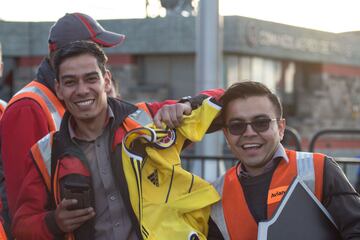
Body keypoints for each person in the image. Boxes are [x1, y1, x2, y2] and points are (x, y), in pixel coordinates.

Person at [12, 40, 222, 239]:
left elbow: (228, 101)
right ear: (58, 88)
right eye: (70, 82)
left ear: (107, 81)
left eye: (91, 78)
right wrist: (53, 222)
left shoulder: (148, 121)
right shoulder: (45, 153)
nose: (82, 89)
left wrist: (187, 104)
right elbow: (21, 226)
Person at [207, 81, 360, 239]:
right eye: (237, 125)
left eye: (261, 123)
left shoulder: (319, 169)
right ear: (226, 135)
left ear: (280, 128)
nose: (249, 133)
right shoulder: (215, 195)